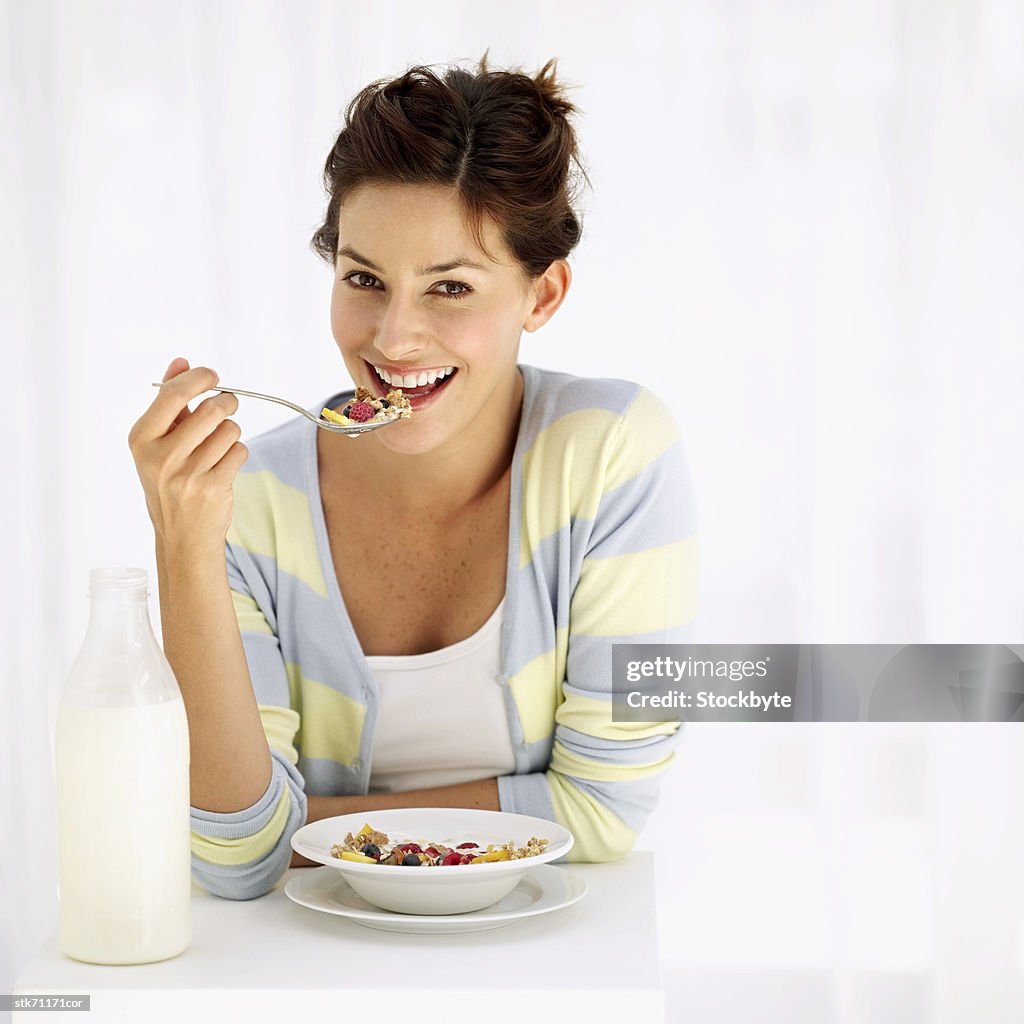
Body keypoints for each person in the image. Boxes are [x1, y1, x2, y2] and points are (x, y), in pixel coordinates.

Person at [129, 52, 697, 901]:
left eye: (450, 288)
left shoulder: (611, 452)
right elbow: (235, 854)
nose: (394, 339)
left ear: (542, 296)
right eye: (365, 279)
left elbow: (601, 808)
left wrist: (308, 828)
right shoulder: (246, 497)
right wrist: (181, 544)